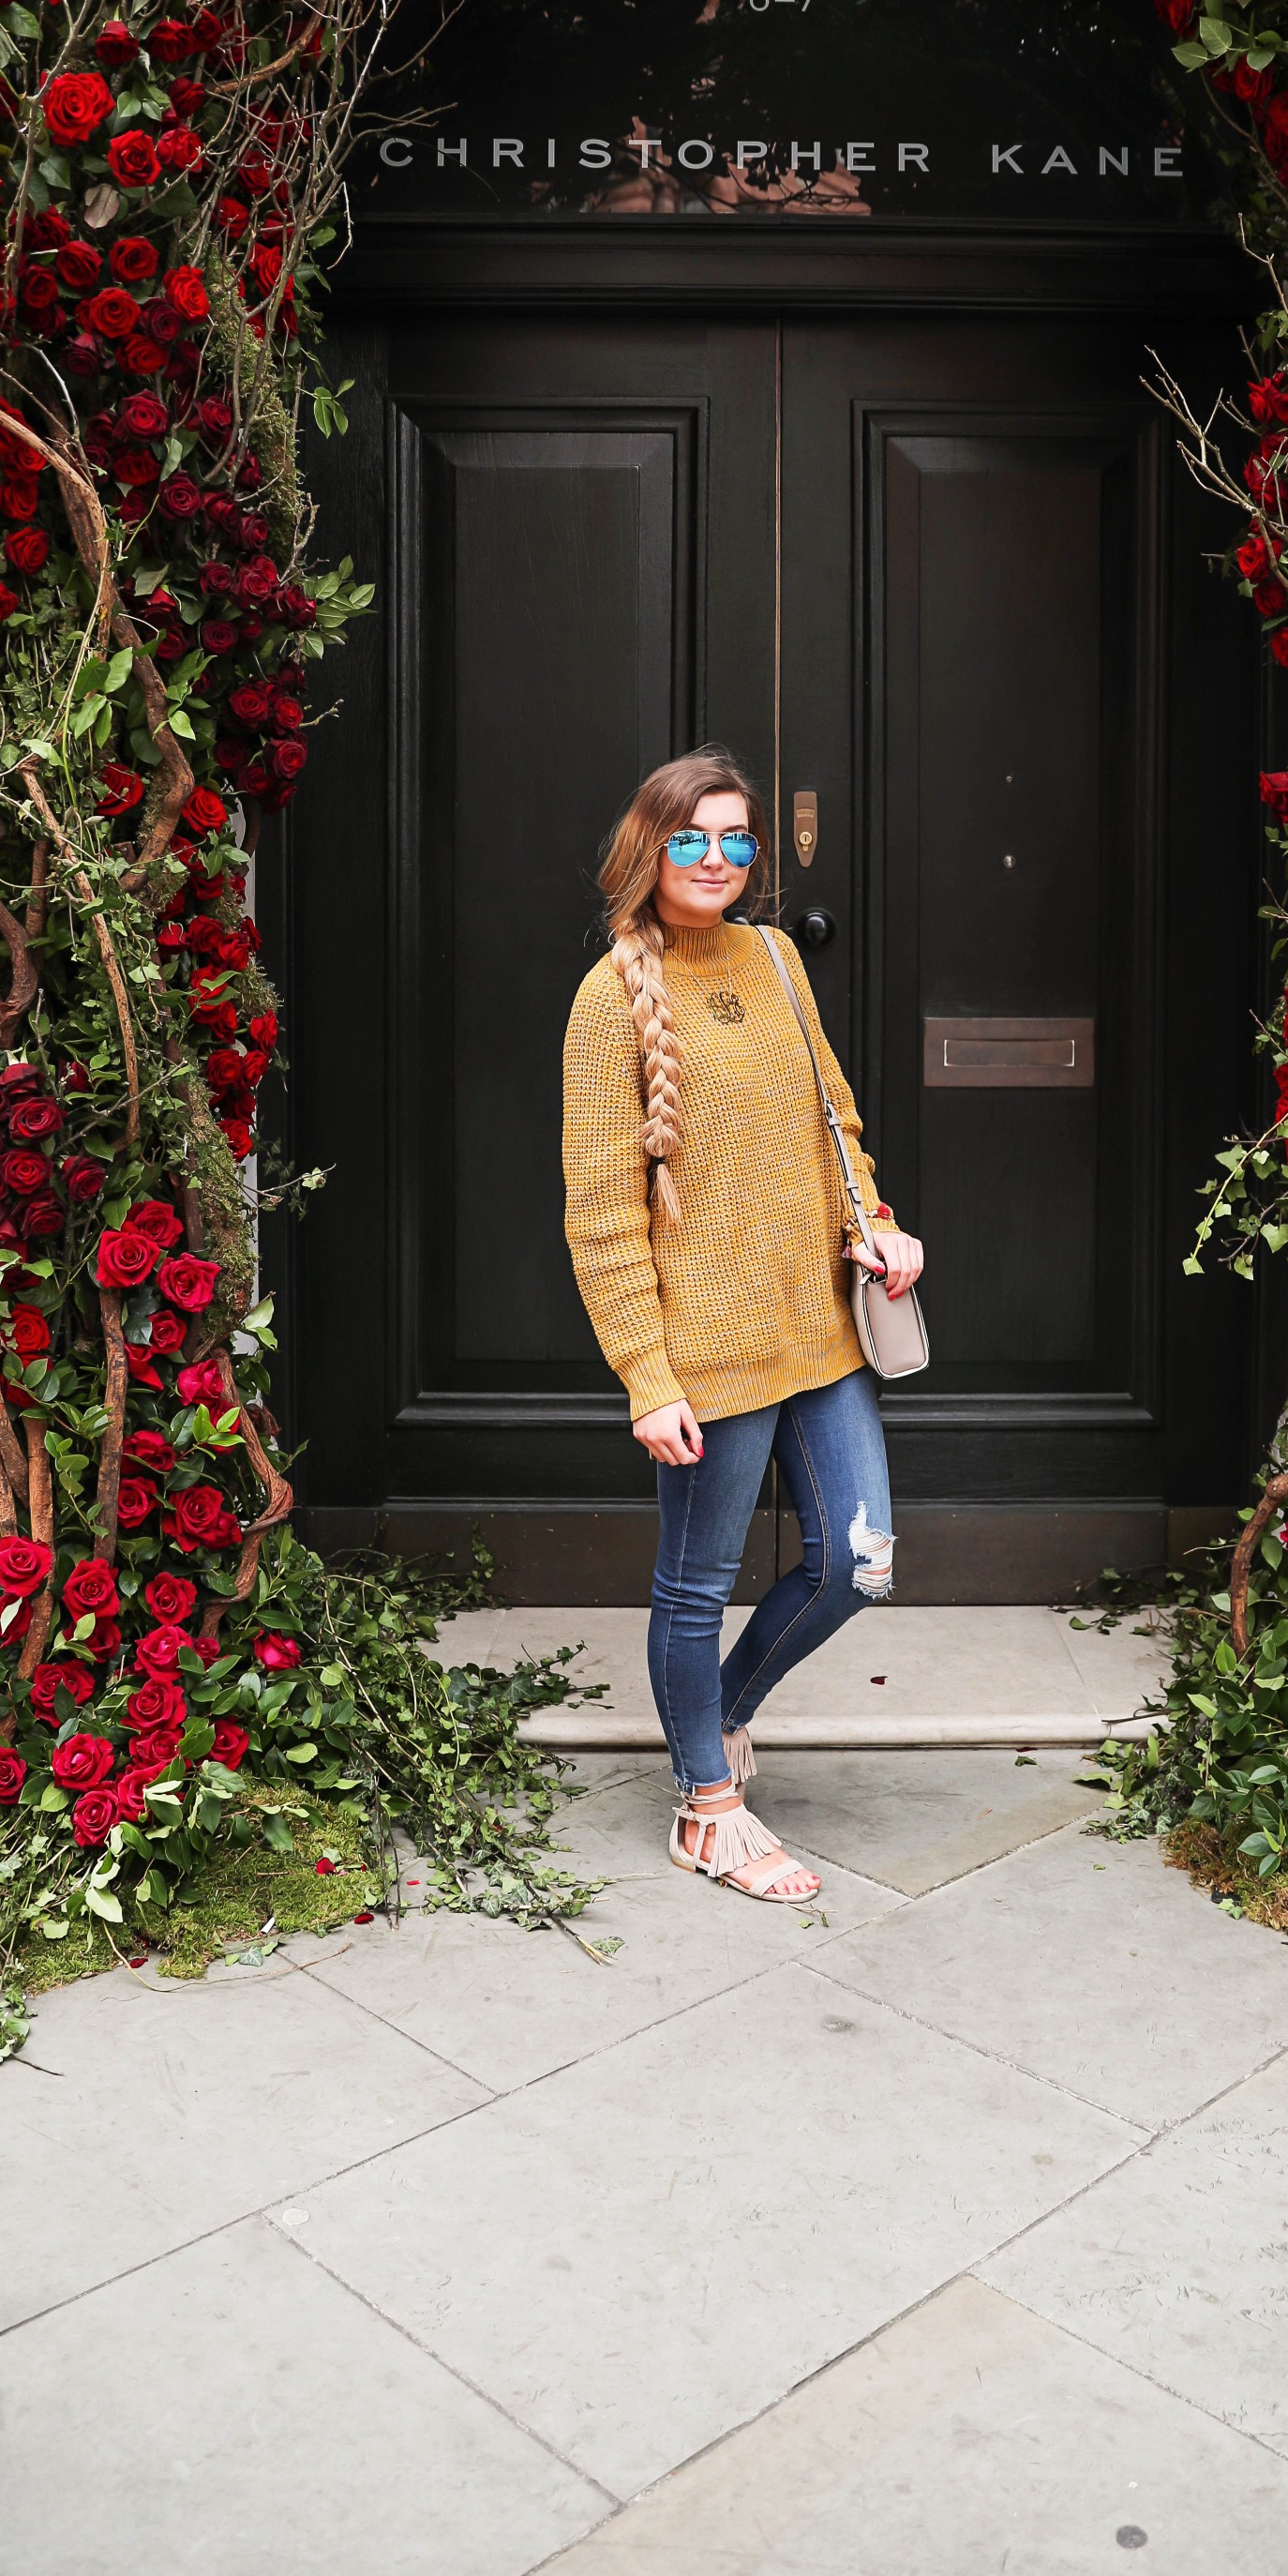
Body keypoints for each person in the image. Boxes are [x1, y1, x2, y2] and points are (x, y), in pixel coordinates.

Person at [562, 746, 925, 1904]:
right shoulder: (608, 998)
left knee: (855, 1563)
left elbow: (836, 1118)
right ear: (648, 850)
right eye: (691, 839)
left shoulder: (773, 959)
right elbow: (601, 1213)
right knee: (692, 1584)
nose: (716, 860)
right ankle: (705, 1810)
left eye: (735, 839)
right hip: (705, 1354)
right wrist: (645, 1373)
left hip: (819, 1324)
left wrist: (876, 1221)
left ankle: (713, 1720)